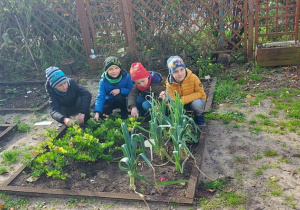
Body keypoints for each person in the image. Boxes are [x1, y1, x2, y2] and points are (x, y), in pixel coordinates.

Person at [160, 56, 207, 126]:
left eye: (182, 69)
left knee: (196, 105)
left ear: (185, 68)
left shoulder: (193, 77)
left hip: (195, 101)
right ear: (171, 73)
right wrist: (166, 100)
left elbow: (200, 93)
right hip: (181, 105)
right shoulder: (169, 84)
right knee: (170, 109)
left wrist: (182, 100)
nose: (180, 73)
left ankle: (199, 119)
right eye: (176, 71)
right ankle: (184, 123)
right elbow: (173, 100)